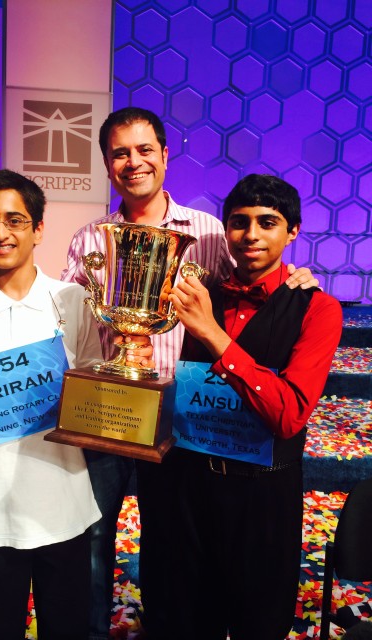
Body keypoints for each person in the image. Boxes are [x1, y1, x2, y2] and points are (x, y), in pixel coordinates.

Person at [0, 108, 318, 639]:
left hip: (181, 421)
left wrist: (297, 275)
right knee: (92, 537)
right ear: (108, 163)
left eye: (145, 149)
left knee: (172, 543)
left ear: (165, 155)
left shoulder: (210, 232)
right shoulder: (89, 238)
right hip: (104, 413)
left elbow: (250, 279)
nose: (134, 162)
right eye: (121, 153)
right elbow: (60, 315)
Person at [0, 169, 152, 640]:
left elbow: (90, 395)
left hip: (64, 508)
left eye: (15, 220)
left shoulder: (72, 301)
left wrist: (130, 374)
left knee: (67, 630)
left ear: (38, 229)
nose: (1, 233)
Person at [167, 174, 343, 640]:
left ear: (293, 232)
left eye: (267, 223)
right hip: (193, 485)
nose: (250, 235)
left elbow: (289, 414)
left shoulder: (318, 309)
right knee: (190, 618)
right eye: (239, 222)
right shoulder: (203, 295)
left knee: (259, 622)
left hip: (264, 495)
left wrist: (213, 335)